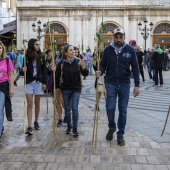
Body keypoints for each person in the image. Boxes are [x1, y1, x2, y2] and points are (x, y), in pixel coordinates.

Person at [96, 28, 140, 146]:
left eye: (121, 37)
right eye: (117, 37)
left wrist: (137, 85)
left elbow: (135, 68)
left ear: (124, 37)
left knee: (123, 110)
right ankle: (112, 127)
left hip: (125, 84)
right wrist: (100, 71)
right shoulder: (107, 50)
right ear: (113, 38)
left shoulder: (130, 50)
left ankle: (120, 134)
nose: (119, 39)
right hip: (110, 83)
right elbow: (102, 65)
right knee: (110, 108)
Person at [56, 45, 89, 137]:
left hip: (76, 88)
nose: (73, 51)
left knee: (74, 107)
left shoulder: (78, 61)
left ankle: (75, 128)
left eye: (74, 50)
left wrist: (83, 66)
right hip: (65, 88)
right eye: (71, 50)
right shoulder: (61, 63)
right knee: (67, 108)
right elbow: (57, 76)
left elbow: (85, 73)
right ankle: (69, 127)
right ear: (66, 53)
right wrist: (57, 88)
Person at [23, 38, 47, 135]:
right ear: (32, 45)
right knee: (29, 103)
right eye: (36, 44)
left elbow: (44, 70)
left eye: (39, 44)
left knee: (37, 103)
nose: (38, 46)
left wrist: (44, 82)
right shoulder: (26, 56)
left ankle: (36, 121)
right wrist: (22, 70)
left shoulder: (41, 57)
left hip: (38, 82)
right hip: (29, 82)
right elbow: (22, 71)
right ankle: (29, 126)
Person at [0, 41, 14, 145]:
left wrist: (11, 88)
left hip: (3, 86)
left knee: (0, 109)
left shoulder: (6, 59)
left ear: (3, 49)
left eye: (0, 48)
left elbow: (11, 74)